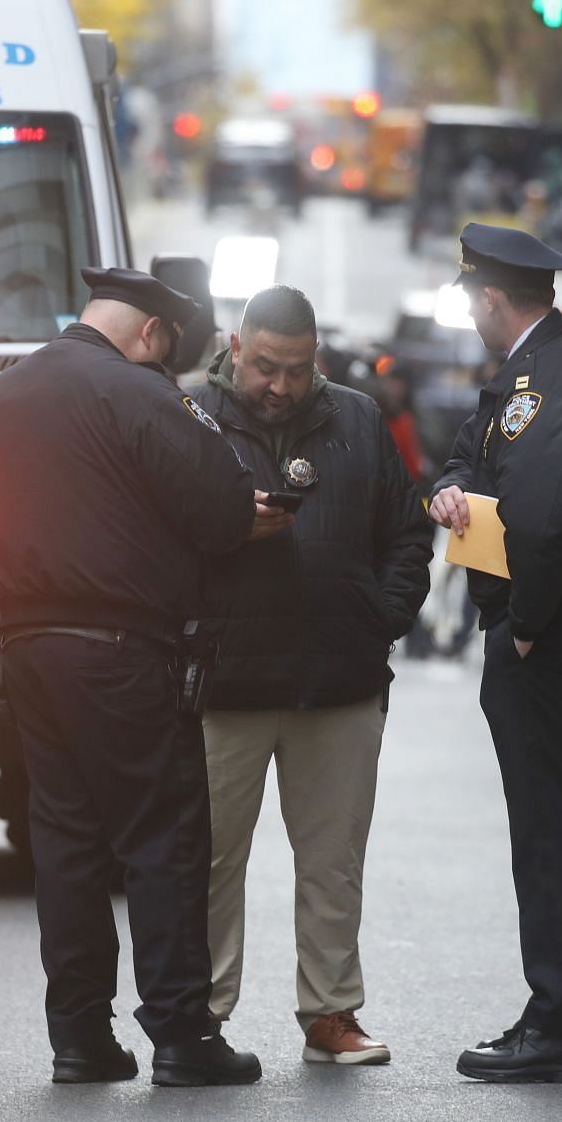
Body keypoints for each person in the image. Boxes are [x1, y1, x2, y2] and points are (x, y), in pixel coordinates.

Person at [0, 267, 286, 1088]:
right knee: (163, 838)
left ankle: (79, 1038)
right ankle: (182, 1036)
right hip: (121, 651)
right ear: (151, 334)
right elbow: (219, 507)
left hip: (26, 650)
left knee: (66, 845)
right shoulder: (139, 393)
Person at [185, 285, 433, 1067]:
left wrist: (381, 617)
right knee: (212, 859)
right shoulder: (190, 415)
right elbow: (151, 532)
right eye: (264, 366)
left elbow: (405, 532)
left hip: (338, 680)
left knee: (333, 861)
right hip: (225, 684)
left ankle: (330, 1014)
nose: (280, 385)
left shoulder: (356, 419)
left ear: (315, 357)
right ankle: (200, 1015)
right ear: (234, 344)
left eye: (296, 369)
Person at [428, 223, 562, 1083]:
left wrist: (526, 625)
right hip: (543, 631)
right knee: (549, 821)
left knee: (545, 829)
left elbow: (546, 521)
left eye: (472, 299)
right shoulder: (532, 377)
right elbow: (475, 452)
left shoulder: (553, 388)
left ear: (489, 298)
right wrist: (446, 487)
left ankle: (559, 1020)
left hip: (545, 638)